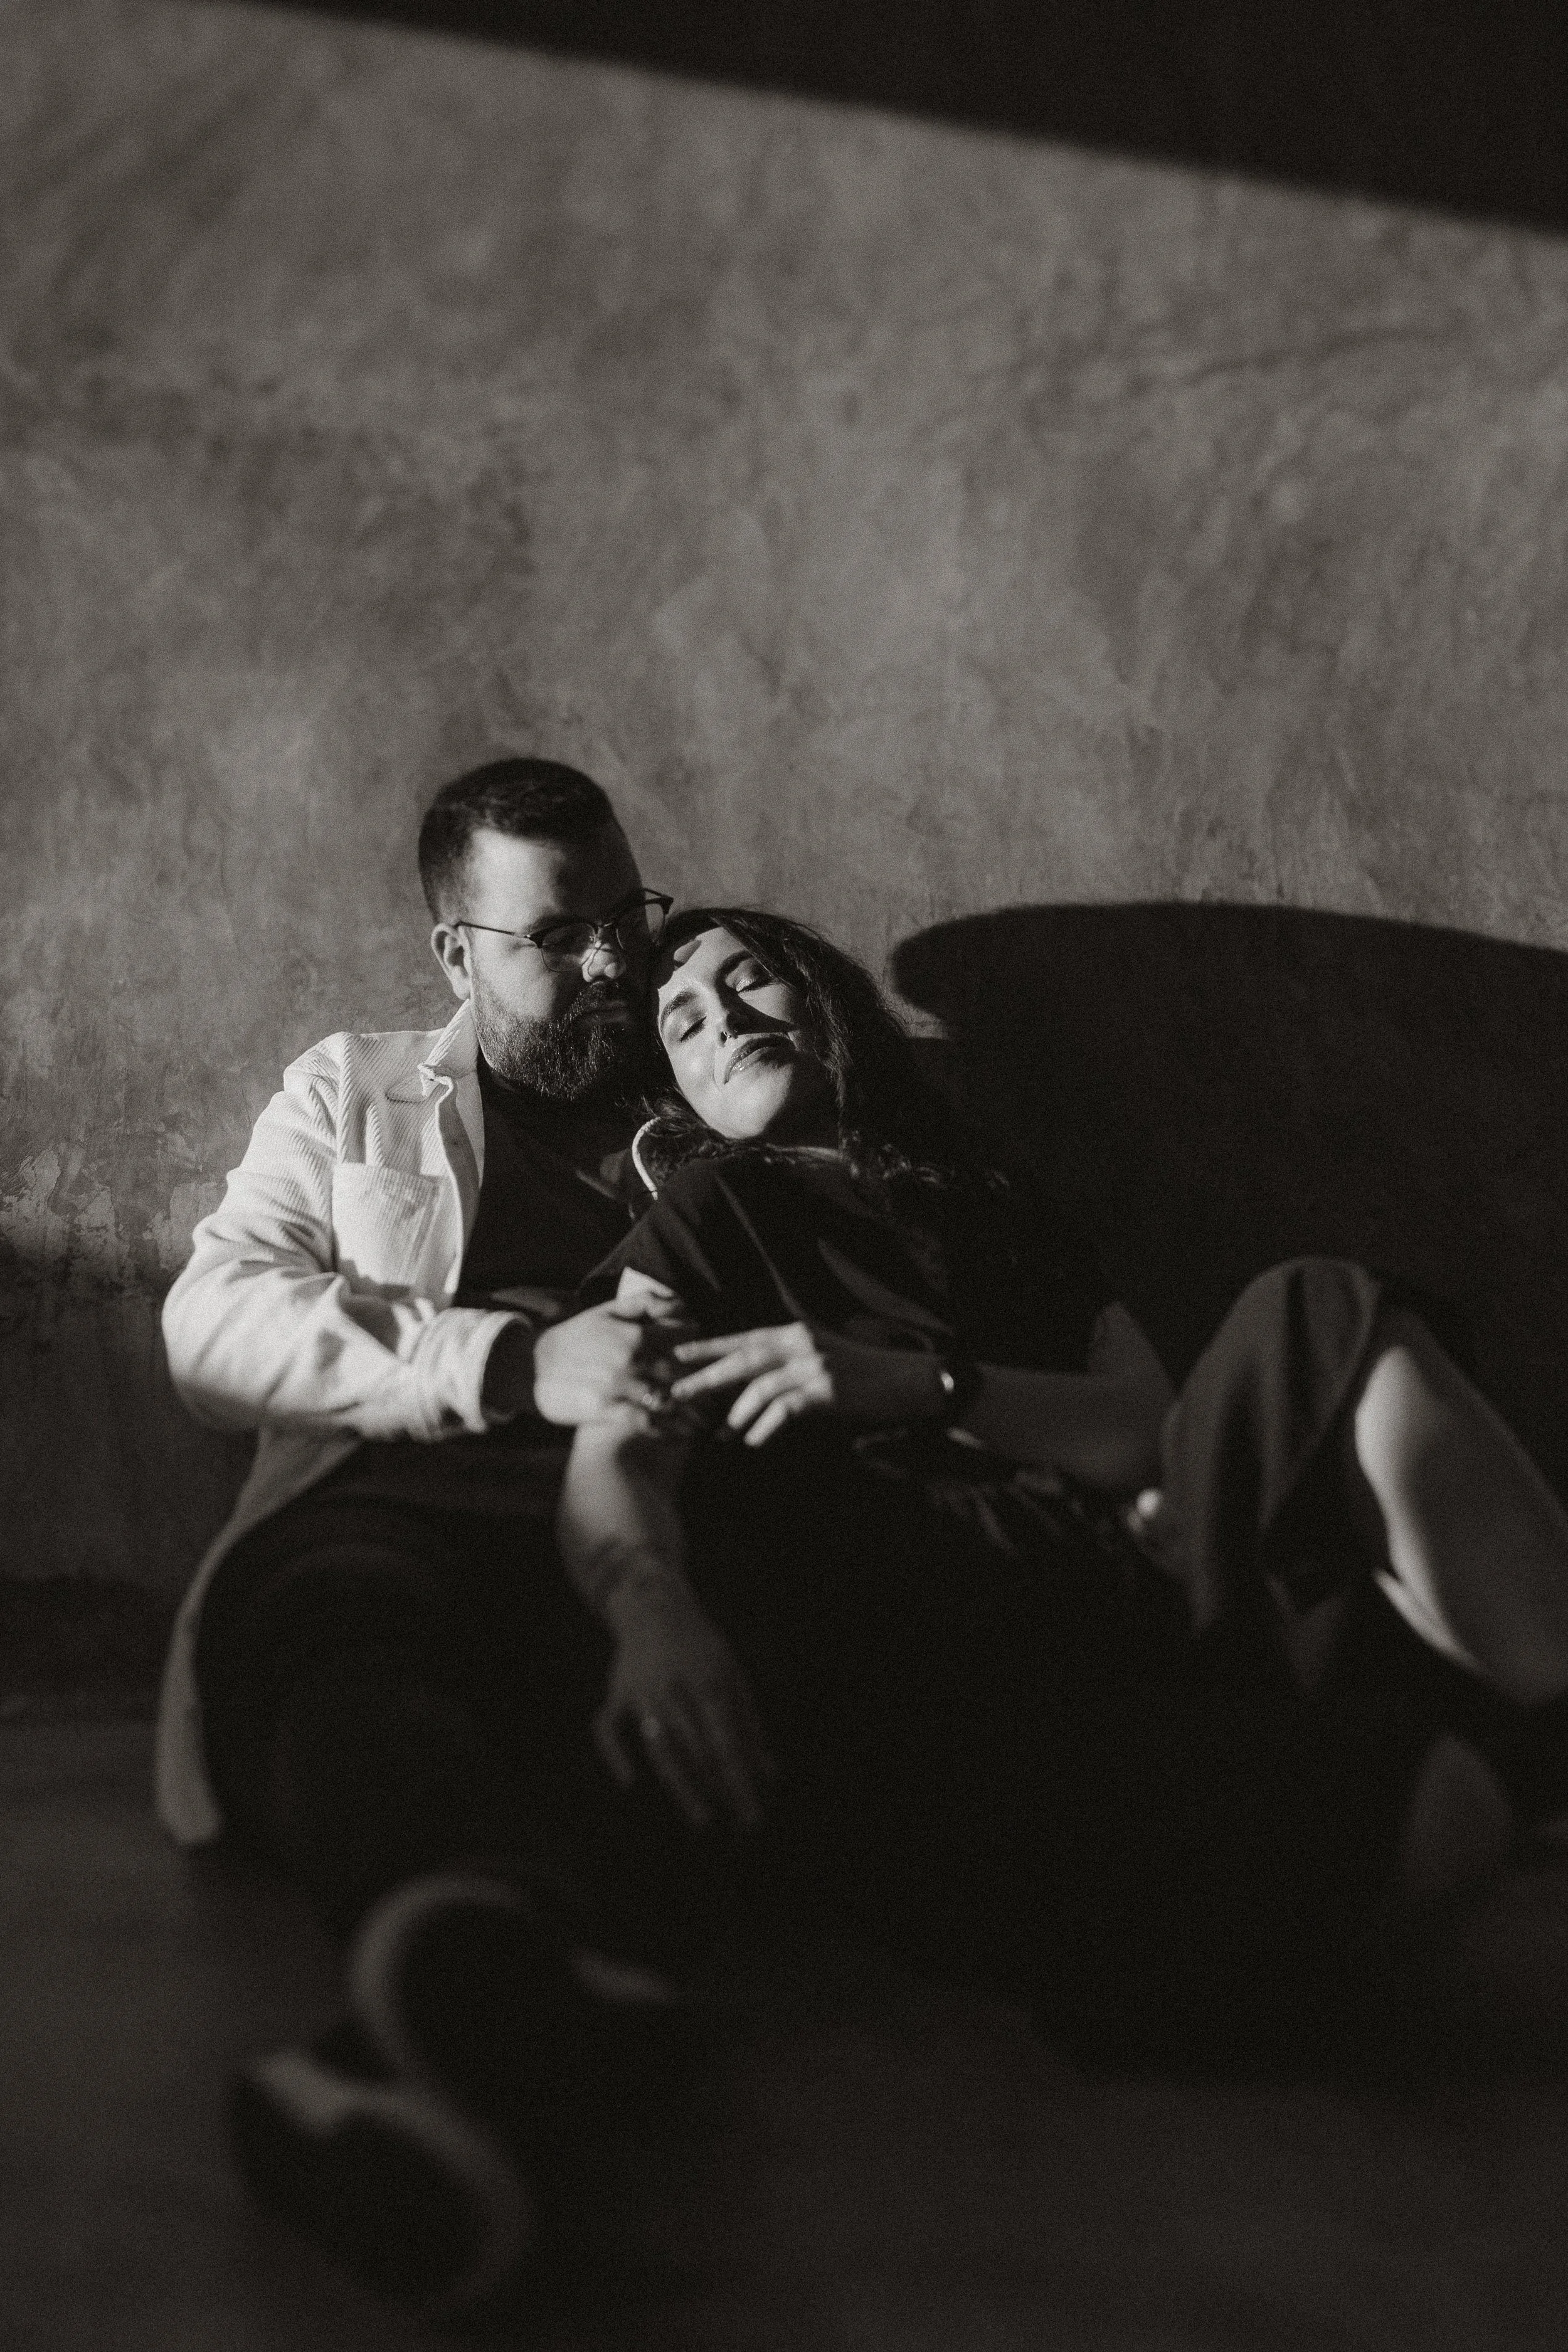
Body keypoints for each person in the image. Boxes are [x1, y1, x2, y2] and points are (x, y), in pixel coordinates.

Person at [554, 906, 1568, 2052]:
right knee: (1448, 1814)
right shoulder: (710, 1211)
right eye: (683, 1022)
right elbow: (618, 1436)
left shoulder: (983, 1197)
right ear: (676, 1090)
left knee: (1314, 1302)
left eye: (751, 981)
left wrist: (918, 1382)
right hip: (965, 1626)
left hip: (1137, 1552)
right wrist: (648, 1604)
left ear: (819, 999)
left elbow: (1146, 1423)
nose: (724, 1021)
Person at [157, 755, 709, 2318]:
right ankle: (481, 2004)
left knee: (657, 1749)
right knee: (355, 1641)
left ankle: (372, 2079)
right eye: (559, 935)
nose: (616, 962)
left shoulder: (706, 1082)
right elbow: (212, 1332)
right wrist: (505, 1359)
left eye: (628, 916)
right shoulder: (354, 1088)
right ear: (456, 952)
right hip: (386, 1503)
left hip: (632, 1537)